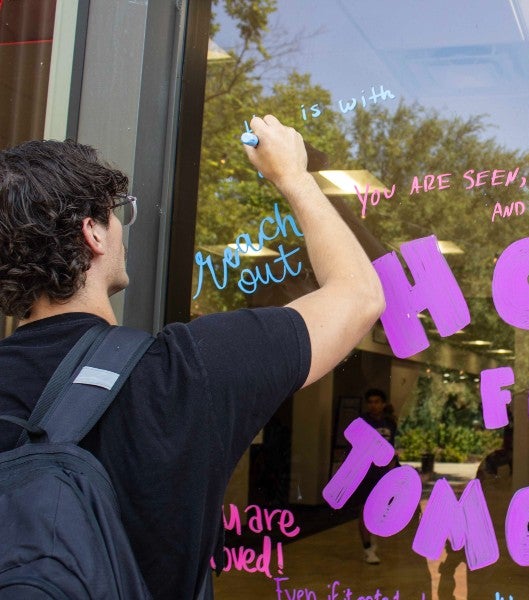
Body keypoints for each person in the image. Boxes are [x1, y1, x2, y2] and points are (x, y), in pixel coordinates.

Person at [0, 115, 385, 599]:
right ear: (92, 235)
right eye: (115, 214)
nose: (121, 229)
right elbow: (359, 296)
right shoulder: (184, 371)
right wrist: (293, 176)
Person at [354, 387, 398, 564]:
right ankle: (367, 548)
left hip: (384, 473)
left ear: (383, 404)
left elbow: (394, 448)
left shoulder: (390, 423)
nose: (373, 405)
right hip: (366, 472)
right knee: (365, 510)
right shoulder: (362, 422)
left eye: (377, 402)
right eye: (370, 402)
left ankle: (372, 538)